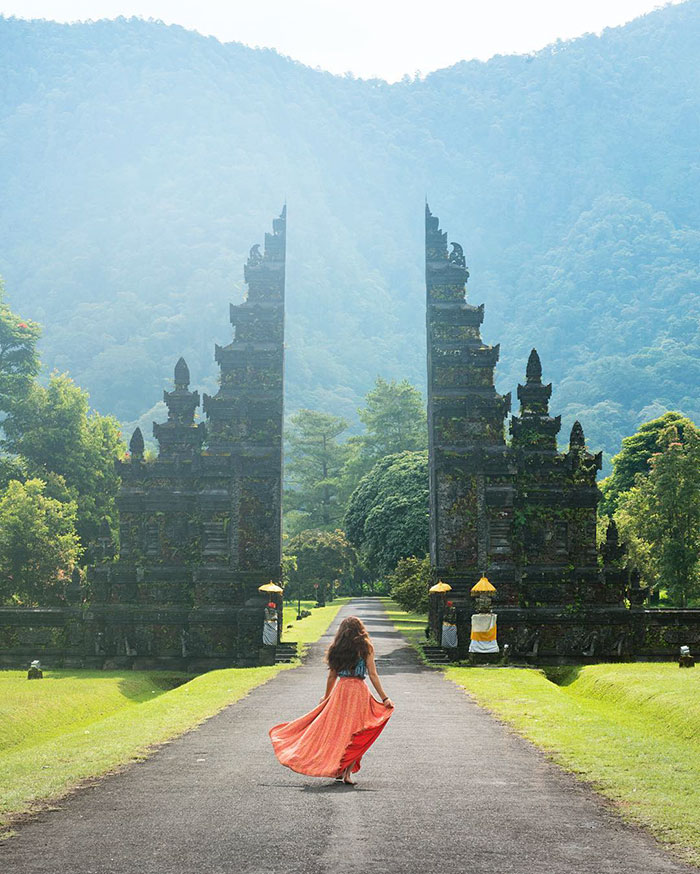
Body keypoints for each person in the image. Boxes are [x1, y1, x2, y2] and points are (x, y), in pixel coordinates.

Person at [269, 616, 394, 785]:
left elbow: (332, 676)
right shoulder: (366, 647)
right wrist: (384, 698)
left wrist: (327, 697)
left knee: (338, 731)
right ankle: (347, 772)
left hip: (341, 691)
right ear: (360, 630)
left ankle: (339, 768)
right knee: (355, 733)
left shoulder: (336, 648)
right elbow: (372, 674)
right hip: (358, 692)